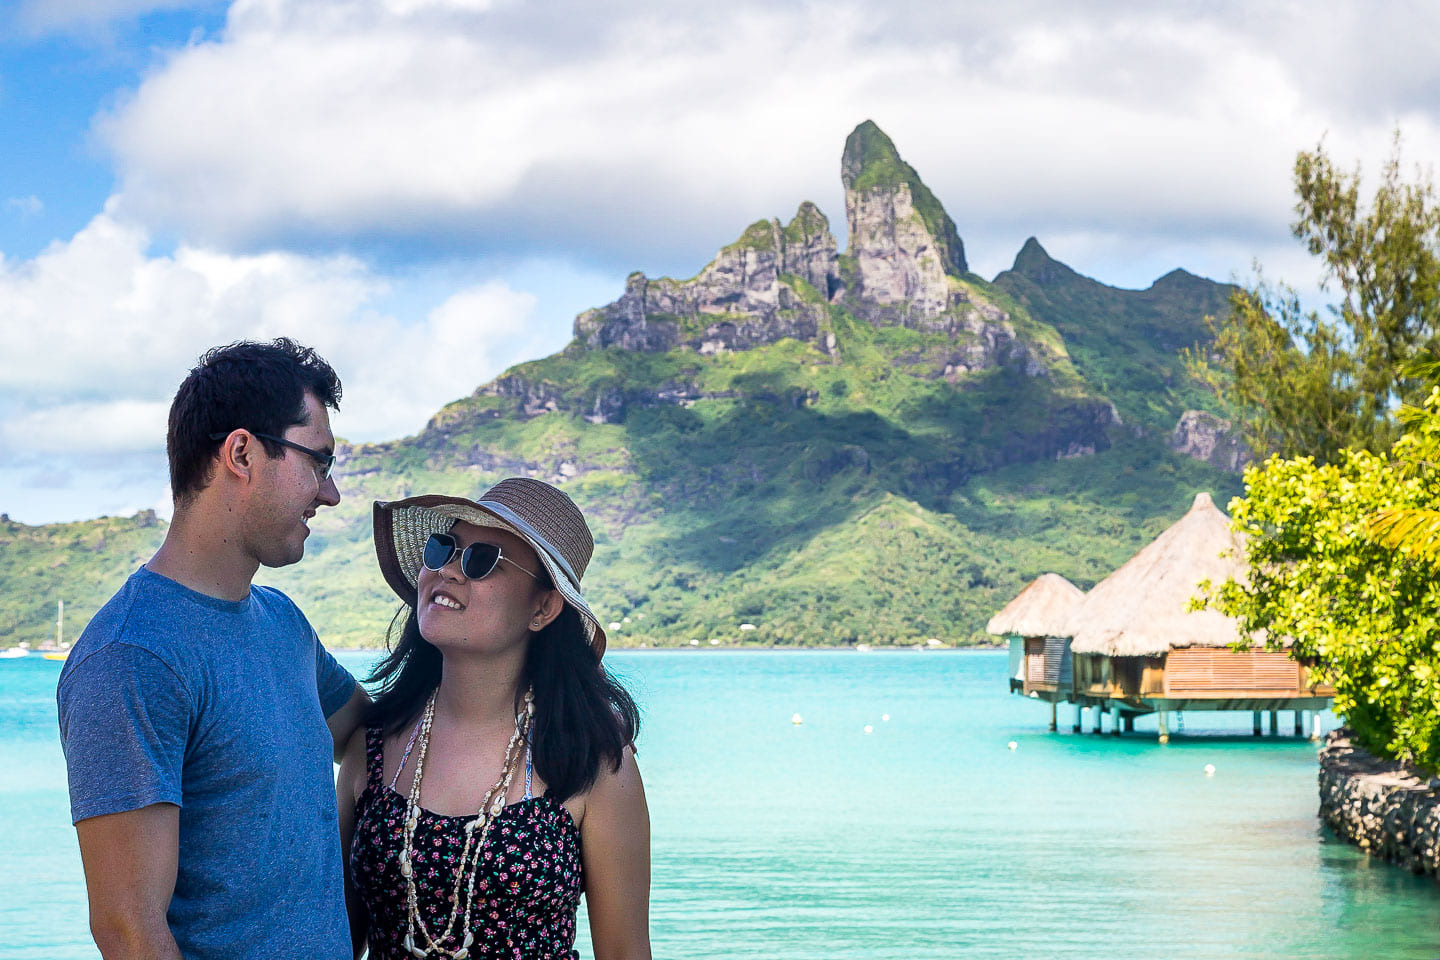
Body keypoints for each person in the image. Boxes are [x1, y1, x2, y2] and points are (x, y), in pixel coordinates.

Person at [56, 338, 369, 960]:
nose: (329, 495)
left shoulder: (284, 624)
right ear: (243, 453)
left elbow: (373, 737)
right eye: (320, 463)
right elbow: (127, 930)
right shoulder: (130, 658)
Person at [339, 477, 650, 959]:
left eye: (481, 561)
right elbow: (336, 939)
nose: (448, 571)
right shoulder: (375, 745)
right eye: (443, 548)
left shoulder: (595, 760)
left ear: (544, 608)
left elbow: (625, 952)